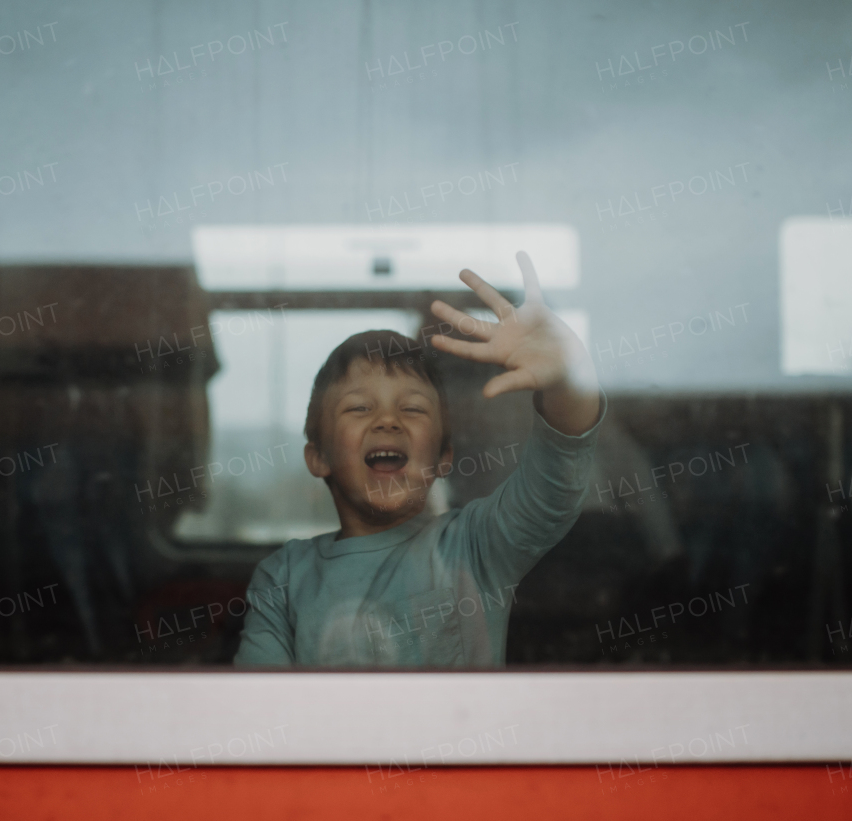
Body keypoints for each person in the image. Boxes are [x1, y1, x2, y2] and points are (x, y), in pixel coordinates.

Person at [233, 252, 605, 667]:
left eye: (412, 409)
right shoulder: (284, 578)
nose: (388, 420)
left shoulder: (473, 546)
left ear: (444, 457)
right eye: (359, 409)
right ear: (318, 457)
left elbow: (553, 487)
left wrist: (568, 374)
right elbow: (260, 704)